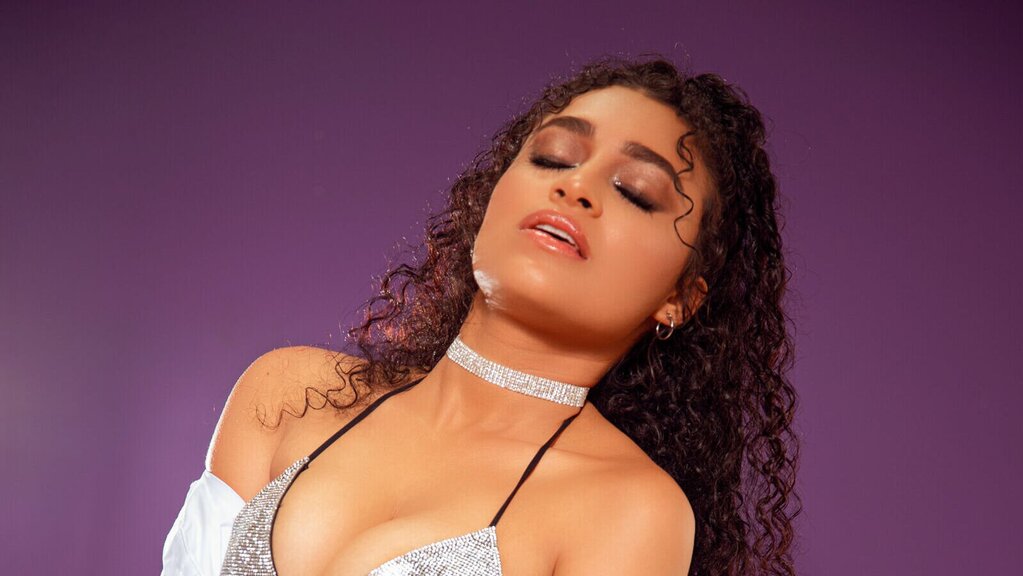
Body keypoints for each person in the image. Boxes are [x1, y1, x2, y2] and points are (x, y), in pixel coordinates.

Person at [162, 56, 800, 576]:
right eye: (553, 156)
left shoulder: (632, 510)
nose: (575, 187)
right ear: (491, 193)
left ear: (680, 298)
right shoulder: (287, 395)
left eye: (634, 191)